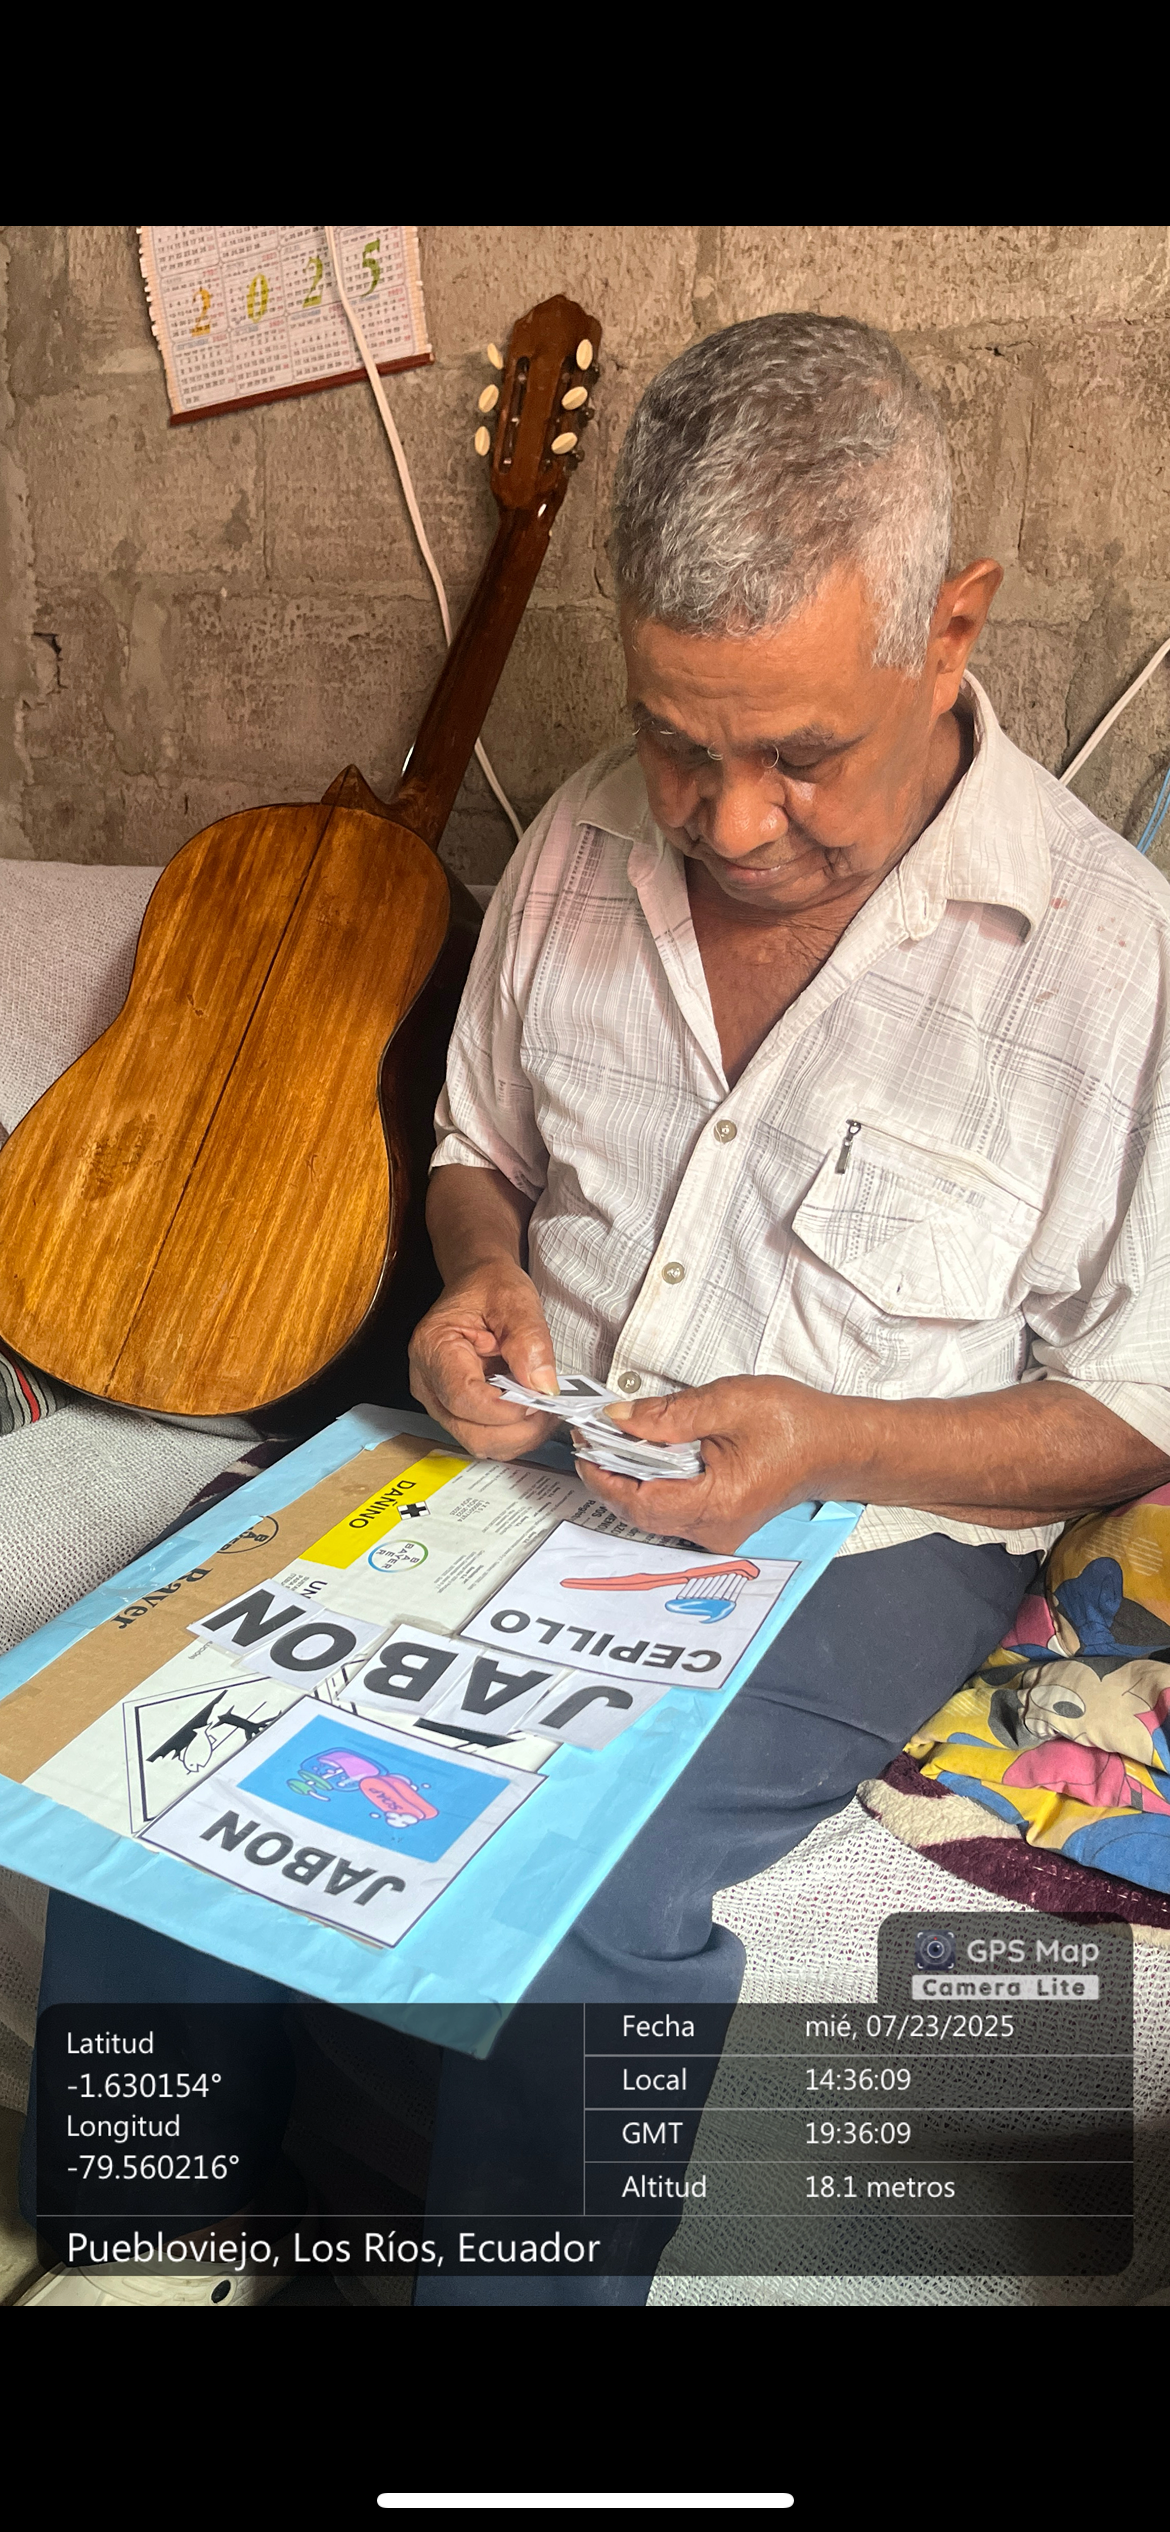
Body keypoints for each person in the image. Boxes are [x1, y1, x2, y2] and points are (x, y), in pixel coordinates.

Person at [20, 312, 1170, 2307]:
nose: (725, 822)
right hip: (520, 1451)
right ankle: (145, 2244)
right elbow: (476, 1150)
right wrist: (474, 1274)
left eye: (798, 754)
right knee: (162, 1727)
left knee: (577, 1900)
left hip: (867, 1522)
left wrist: (827, 1439)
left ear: (952, 629)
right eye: (678, 740)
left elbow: (1138, 1396)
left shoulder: (1114, 959)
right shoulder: (571, 839)